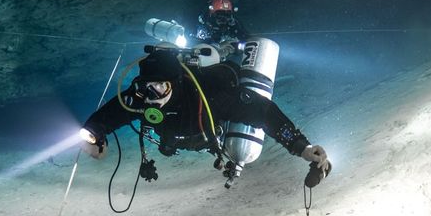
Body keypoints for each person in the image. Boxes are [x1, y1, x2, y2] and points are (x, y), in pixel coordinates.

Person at [80, 49, 331, 186]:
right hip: (180, 139)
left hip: (210, 136)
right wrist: (93, 134)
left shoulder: (212, 97)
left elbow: (264, 112)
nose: (150, 97)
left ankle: (227, 49)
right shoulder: (140, 98)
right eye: (145, 88)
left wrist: (302, 147)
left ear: (176, 83)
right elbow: (109, 115)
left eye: (159, 88)